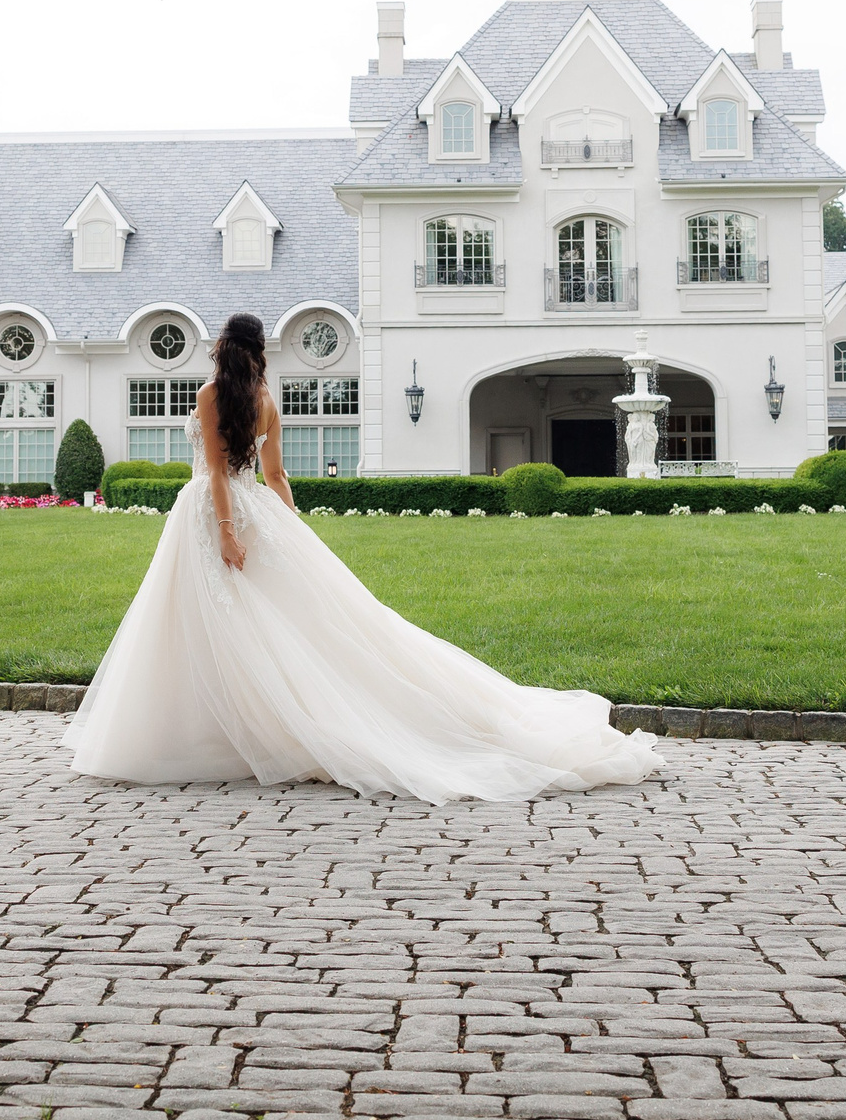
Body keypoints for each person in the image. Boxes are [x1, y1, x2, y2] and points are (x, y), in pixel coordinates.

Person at [67, 312, 660, 803]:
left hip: (212, 512)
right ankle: (225, 728)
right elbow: (275, 476)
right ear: (260, 352)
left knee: (225, 619)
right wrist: (288, 526)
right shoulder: (265, 399)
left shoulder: (210, 395)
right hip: (252, 509)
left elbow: (219, 472)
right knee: (250, 621)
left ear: (221, 348)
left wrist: (229, 531)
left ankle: (226, 731)